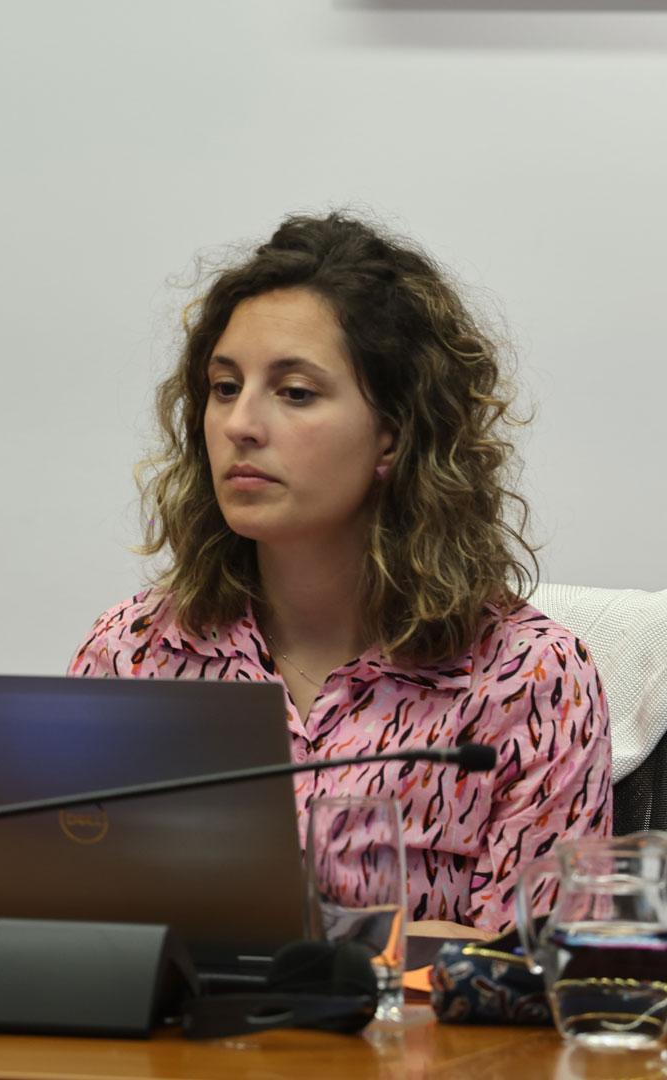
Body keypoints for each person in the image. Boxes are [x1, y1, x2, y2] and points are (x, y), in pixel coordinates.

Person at [70, 213, 609, 931]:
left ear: (393, 434)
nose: (240, 425)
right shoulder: (135, 654)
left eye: (294, 392)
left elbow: (533, 981)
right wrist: (409, 941)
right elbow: (71, 916)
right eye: (225, 387)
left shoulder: (529, 679)